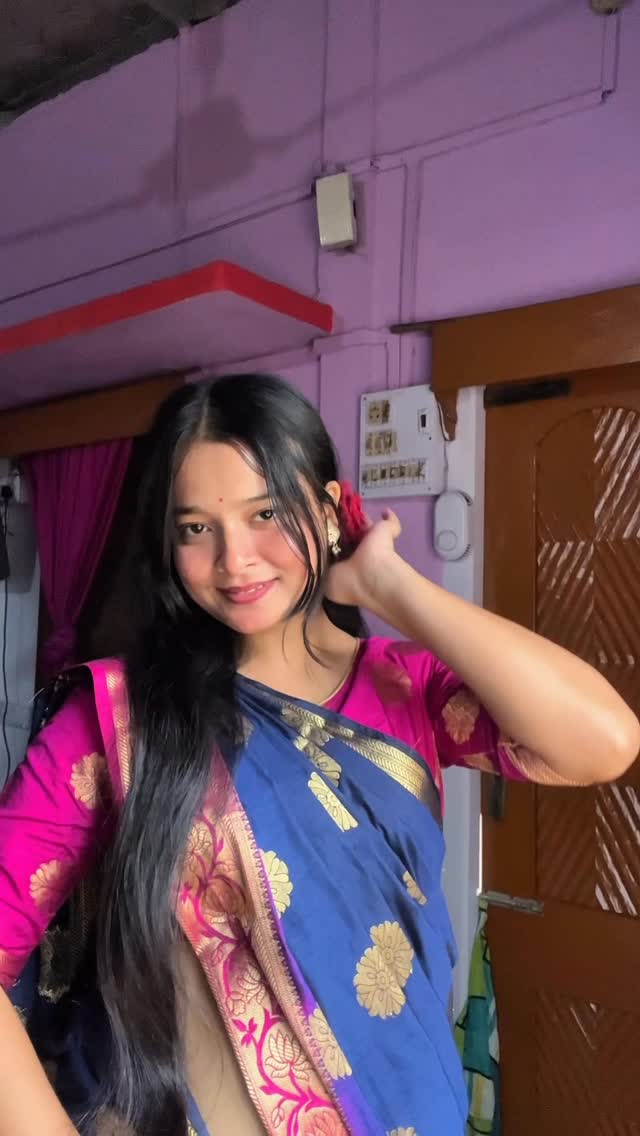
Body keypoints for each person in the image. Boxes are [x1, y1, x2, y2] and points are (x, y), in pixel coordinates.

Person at [0, 374, 637, 1136]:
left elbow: (603, 741)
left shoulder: (406, 689)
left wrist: (393, 587)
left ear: (330, 510)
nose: (236, 560)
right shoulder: (118, 722)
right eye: (196, 528)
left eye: (266, 513)